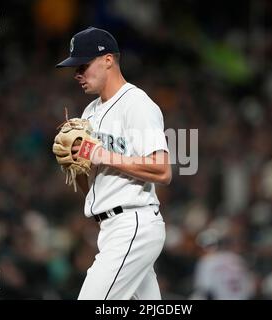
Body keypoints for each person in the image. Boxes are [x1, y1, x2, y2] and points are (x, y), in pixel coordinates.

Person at [55, 26, 172, 300]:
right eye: (75, 68)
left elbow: (163, 170)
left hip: (133, 224)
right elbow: (93, 187)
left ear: (108, 60)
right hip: (109, 227)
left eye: (83, 65)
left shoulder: (137, 104)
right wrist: (77, 164)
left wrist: (102, 155)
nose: (77, 74)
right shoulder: (90, 112)